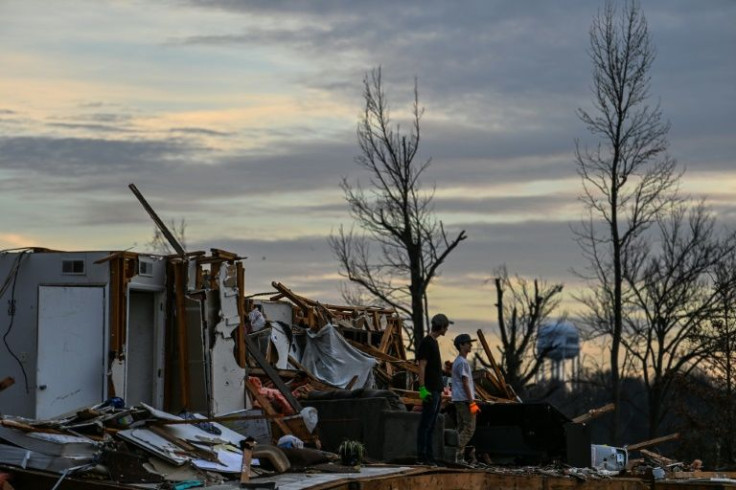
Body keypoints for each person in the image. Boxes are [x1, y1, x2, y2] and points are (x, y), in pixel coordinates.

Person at [416, 313, 452, 465]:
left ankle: (429, 456)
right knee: (426, 424)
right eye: (446, 326)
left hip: (436, 389)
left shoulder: (434, 342)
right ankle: (422, 456)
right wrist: (422, 388)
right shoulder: (427, 342)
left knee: (431, 425)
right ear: (441, 326)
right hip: (430, 389)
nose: (447, 329)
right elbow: (422, 365)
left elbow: (433, 368)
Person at [451, 333, 479, 464]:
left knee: (461, 428)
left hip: (458, 399)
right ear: (461, 345)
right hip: (464, 400)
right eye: (468, 343)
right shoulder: (462, 363)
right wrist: (472, 402)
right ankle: (455, 454)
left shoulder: (458, 361)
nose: (470, 345)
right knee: (469, 428)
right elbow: (465, 382)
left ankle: (457, 457)